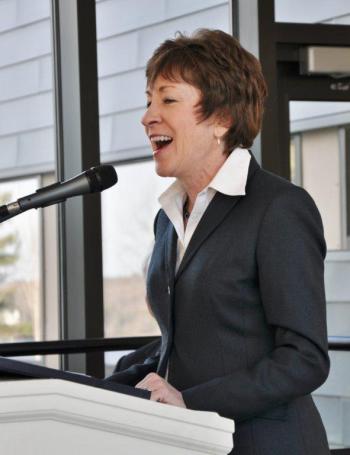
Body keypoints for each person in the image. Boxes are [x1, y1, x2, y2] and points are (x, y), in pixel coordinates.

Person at [106, 29, 330, 454]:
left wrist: (191, 401)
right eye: (148, 99)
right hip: (193, 444)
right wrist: (101, 385)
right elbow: (191, 345)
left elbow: (304, 359)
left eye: (168, 100)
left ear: (222, 118)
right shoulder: (167, 220)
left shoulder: (279, 208)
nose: (148, 115)